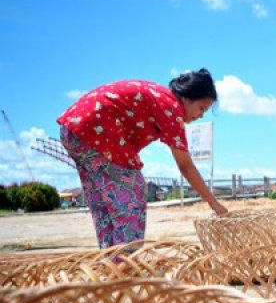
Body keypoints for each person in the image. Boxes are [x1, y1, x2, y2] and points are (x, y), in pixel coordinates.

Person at [57, 68, 228, 248]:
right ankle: (126, 264)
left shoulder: (161, 97)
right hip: (97, 129)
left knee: (103, 204)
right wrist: (214, 203)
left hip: (74, 128)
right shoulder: (172, 108)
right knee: (132, 193)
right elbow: (186, 166)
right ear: (186, 97)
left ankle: (110, 260)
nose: (200, 115)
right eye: (201, 108)